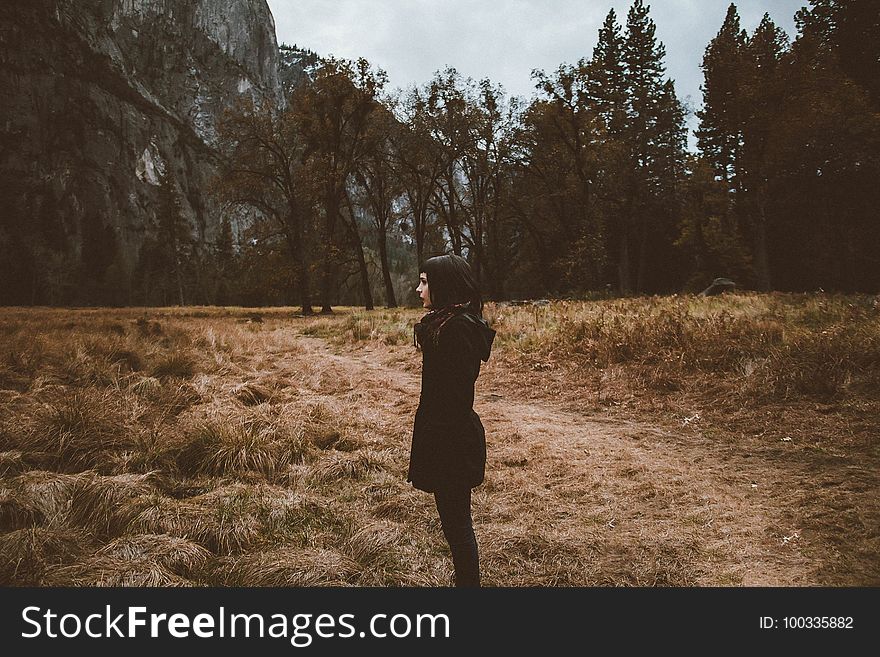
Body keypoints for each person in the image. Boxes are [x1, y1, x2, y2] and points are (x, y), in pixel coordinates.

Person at [409, 254, 496, 587]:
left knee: (458, 528)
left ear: (443, 285)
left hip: (452, 445)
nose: (418, 290)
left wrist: (436, 443)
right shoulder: (445, 324)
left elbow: (455, 399)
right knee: (455, 525)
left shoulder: (455, 330)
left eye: (425, 281)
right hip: (445, 440)